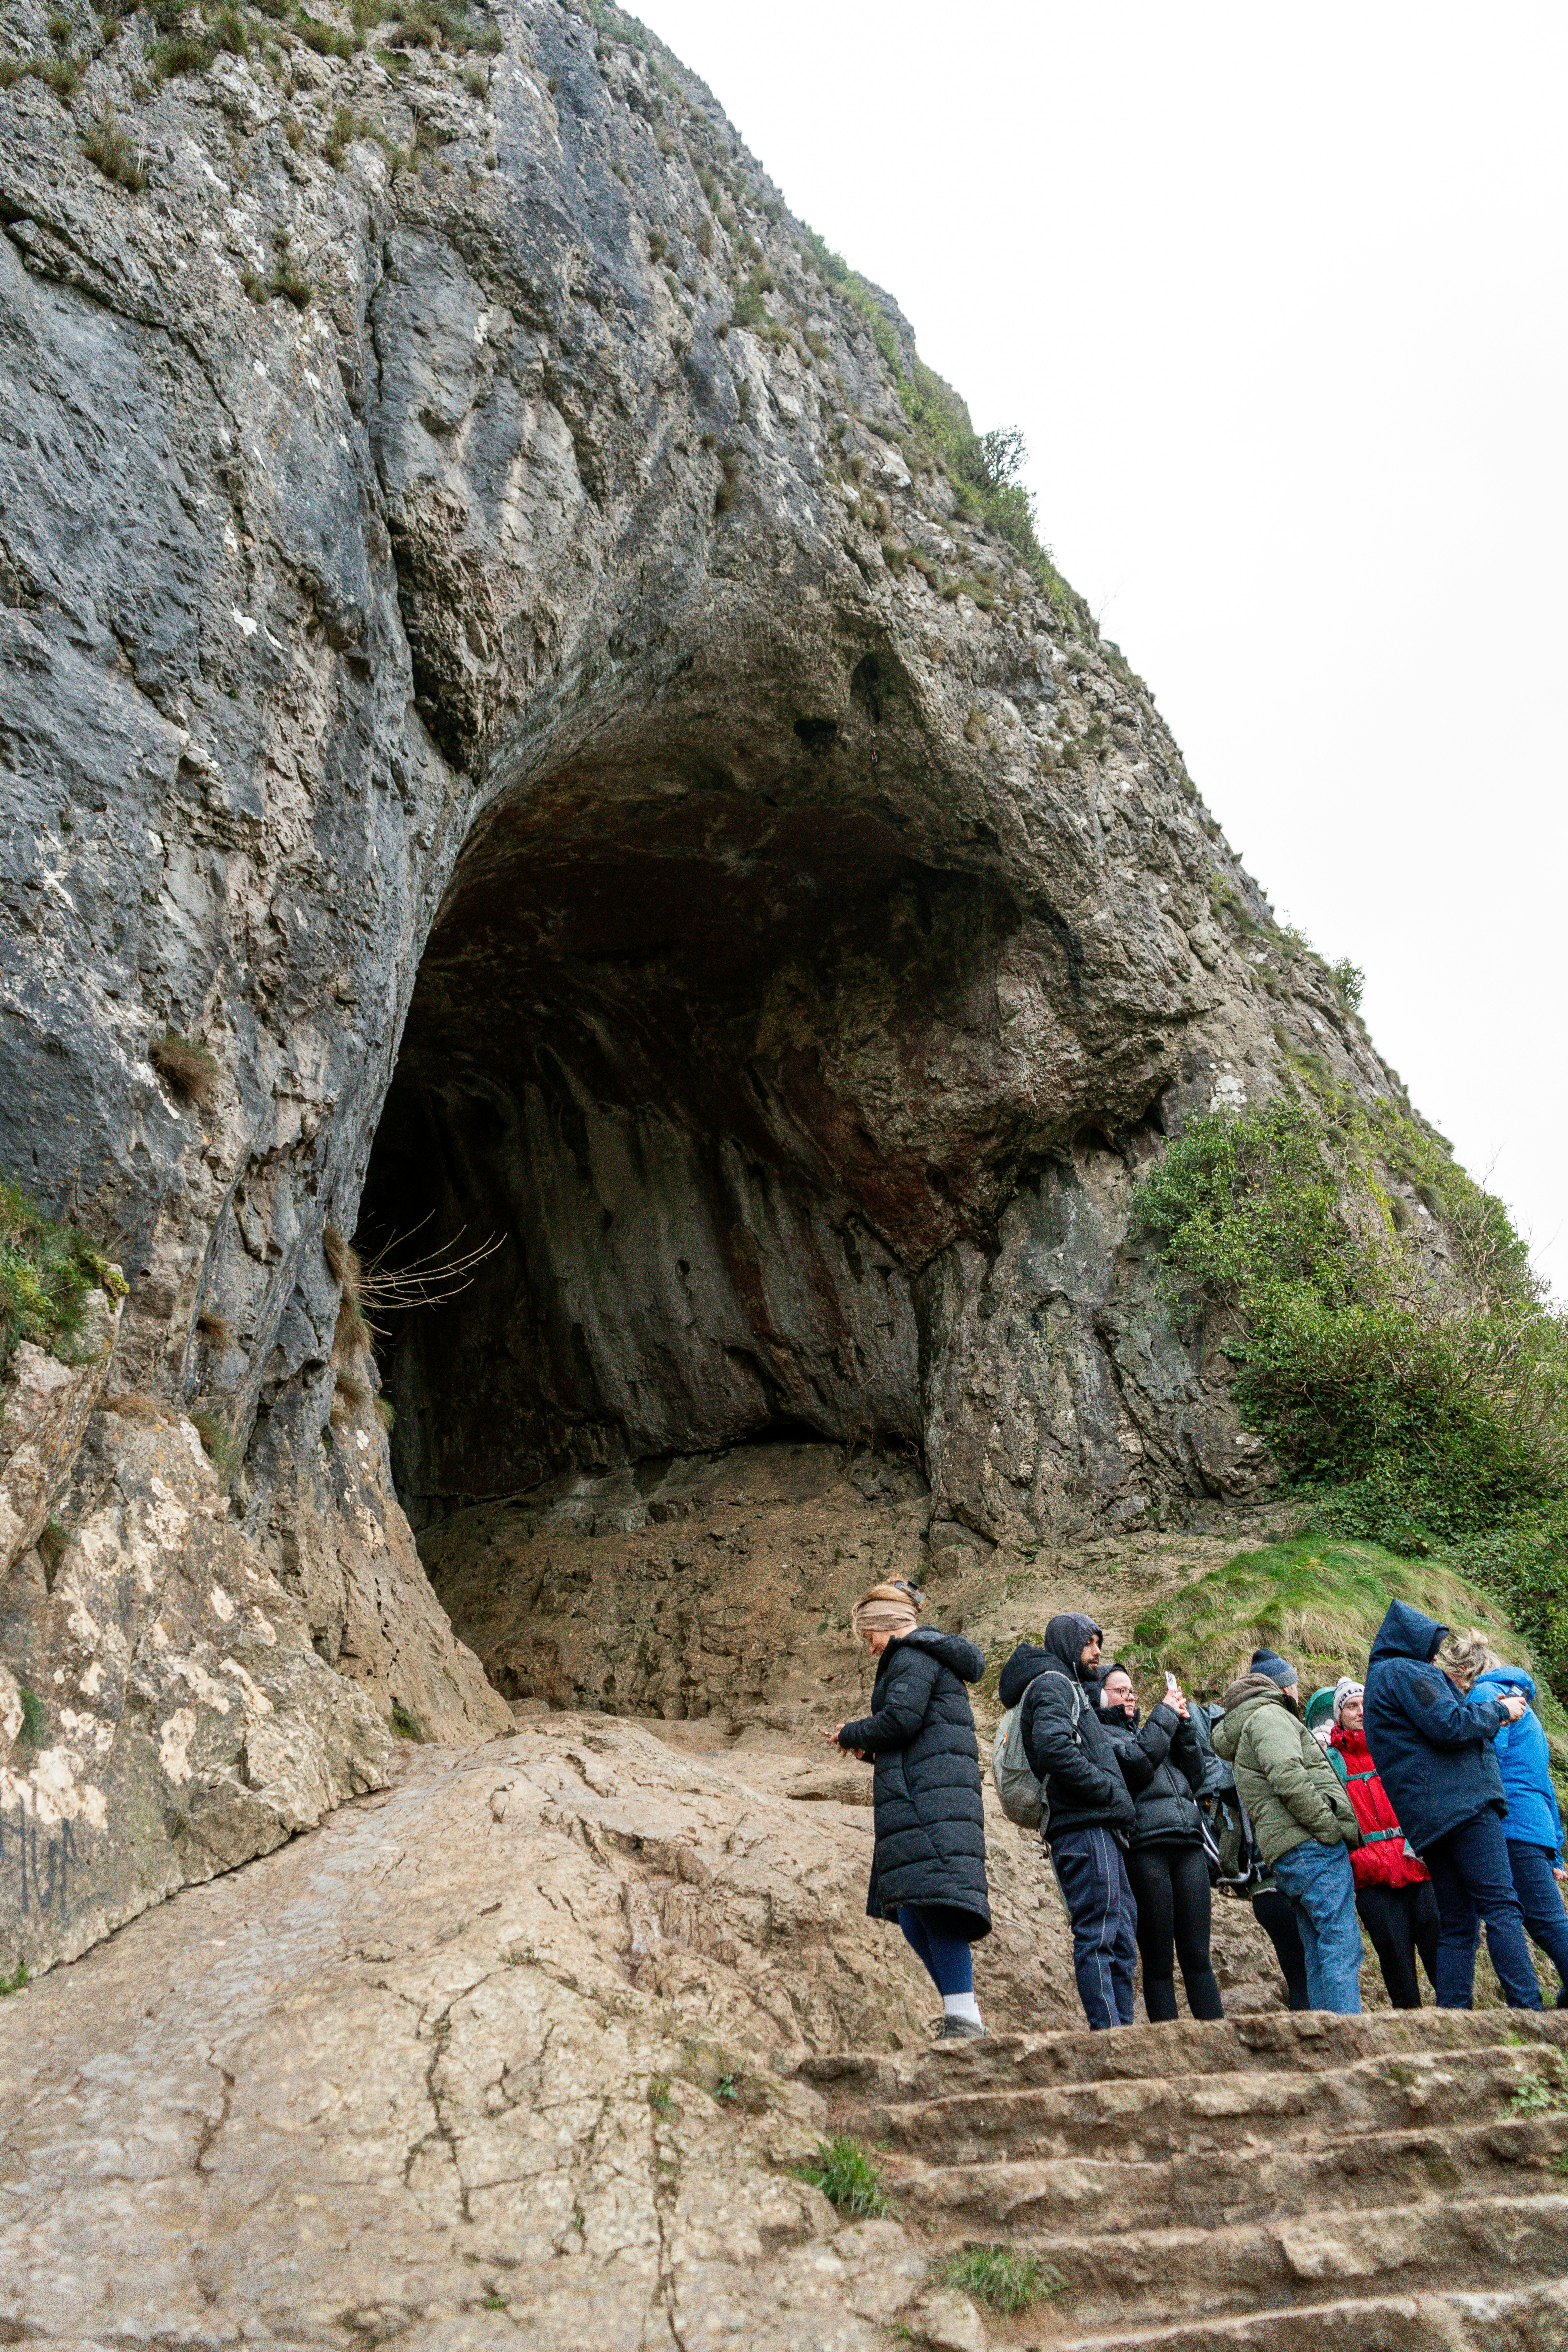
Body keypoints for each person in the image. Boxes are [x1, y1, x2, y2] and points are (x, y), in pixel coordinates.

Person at [830, 1582, 992, 2038]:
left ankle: (965, 2020)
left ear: (887, 1625)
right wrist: (868, 1752)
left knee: (934, 1908)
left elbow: (901, 1720)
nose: (870, 1649)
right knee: (911, 1913)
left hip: (930, 1803)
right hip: (924, 1795)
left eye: (869, 1637)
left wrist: (853, 1733)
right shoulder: (920, 1657)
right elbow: (915, 1737)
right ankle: (965, 2017)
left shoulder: (912, 1656)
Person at [1363, 1602, 1536, 2010]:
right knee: (1501, 1906)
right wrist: (1500, 1710)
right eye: (1432, 1646)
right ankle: (1528, 2009)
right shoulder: (1406, 1672)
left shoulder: (1380, 1681)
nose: (1436, 1656)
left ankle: (1454, 2017)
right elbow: (1450, 1725)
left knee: (1457, 1923)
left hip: (1429, 1820)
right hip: (1465, 1806)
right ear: (1413, 1641)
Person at [998, 1614, 1137, 2030]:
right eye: (1090, 1643)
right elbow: (1054, 1750)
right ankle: (1111, 2036)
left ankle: (1122, 2034)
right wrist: (1108, 1791)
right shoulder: (1053, 1684)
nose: (1098, 1652)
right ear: (1066, 1644)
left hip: (1093, 1825)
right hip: (1084, 1827)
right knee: (1100, 1936)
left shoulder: (1065, 1685)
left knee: (1120, 1940)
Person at [1212, 1665, 1364, 2012]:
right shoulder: (1269, 1716)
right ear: (1281, 1688)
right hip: (1310, 1845)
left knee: (1317, 1949)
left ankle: (1327, 2040)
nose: (1296, 1691)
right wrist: (1328, 1826)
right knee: (1340, 1944)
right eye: (1293, 1683)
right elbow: (1287, 1777)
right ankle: (1349, 2043)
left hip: (1288, 1851)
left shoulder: (1250, 1724)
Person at [1097, 1663, 1224, 2022]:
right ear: (1100, 1697)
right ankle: (1170, 2053)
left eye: (1132, 1690)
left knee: (1198, 1957)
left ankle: (1219, 2048)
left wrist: (1183, 1725)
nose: (1130, 1696)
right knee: (1158, 1963)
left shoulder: (1153, 1729)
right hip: (1145, 1850)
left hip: (1188, 1844)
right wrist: (1165, 1716)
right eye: (1120, 1691)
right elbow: (1137, 1764)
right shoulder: (1101, 1735)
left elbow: (1196, 1774)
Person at [1329, 1676, 1439, 2009]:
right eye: (1351, 1707)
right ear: (1339, 1715)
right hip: (1371, 1873)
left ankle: (1459, 2015)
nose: (1360, 1712)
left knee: (1441, 1949)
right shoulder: (1331, 1760)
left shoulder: (1395, 1745)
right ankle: (1408, 2032)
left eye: (1365, 1705)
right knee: (1394, 1957)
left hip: (1417, 1863)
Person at [1471, 1659, 1568, 2007]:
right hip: (1535, 1824)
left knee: (1548, 1923)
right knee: (1547, 1922)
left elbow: (1486, 1753)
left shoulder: (1487, 1693)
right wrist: (1555, 1847)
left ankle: (1528, 2006)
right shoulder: (1528, 1711)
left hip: (1511, 1823)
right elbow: (1543, 1784)